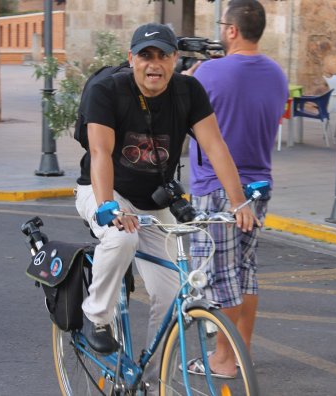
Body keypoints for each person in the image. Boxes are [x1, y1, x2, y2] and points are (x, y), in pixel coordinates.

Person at [75, 22, 258, 368]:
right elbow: (100, 153)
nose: (154, 64)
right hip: (104, 191)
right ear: (131, 59)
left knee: (172, 292)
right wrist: (108, 207)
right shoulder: (107, 91)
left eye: (163, 55)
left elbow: (215, 146)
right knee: (120, 239)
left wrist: (239, 202)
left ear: (175, 59)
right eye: (146, 56)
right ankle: (96, 316)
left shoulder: (188, 92)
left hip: (154, 204)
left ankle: (153, 378)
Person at [187, 0, 289, 378]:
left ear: (231, 30)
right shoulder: (277, 74)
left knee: (220, 275)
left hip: (217, 186)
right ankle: (242, 354)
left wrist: (193, 75)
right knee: (246, 272)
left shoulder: (209, 73)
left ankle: (223, 360)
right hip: (260, 184)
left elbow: (186, 116)